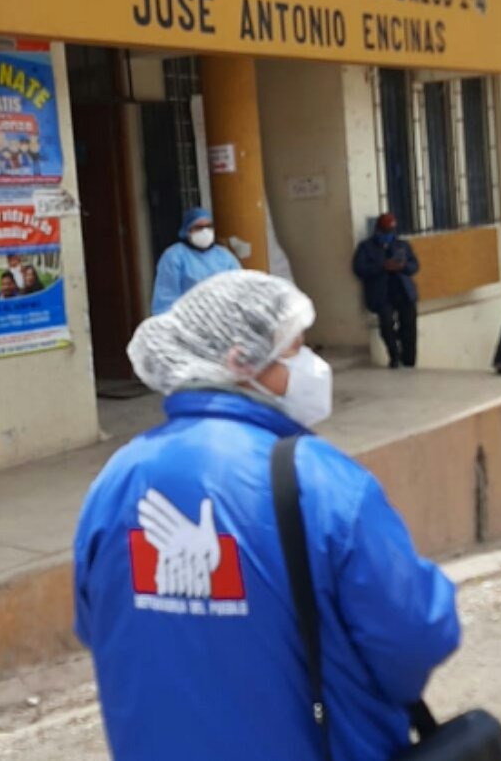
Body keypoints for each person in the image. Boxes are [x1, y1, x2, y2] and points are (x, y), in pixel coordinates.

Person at [74, 271, 459, 761]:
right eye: (296, 348)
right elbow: (415, 636)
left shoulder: (116, 481)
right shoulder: (323, 483)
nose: (313, 365)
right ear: (241, 361)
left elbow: (98, 627)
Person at [352, 213, 420, 368]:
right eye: (385, 231)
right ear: (378, 230)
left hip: (403, 291)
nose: (388, 235)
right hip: (382, 293)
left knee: (409, 327)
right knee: (387, 325)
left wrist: (402, 266)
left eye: (390, 231)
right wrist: (382, 266)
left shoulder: (402, 245)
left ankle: (409, 361)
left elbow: (415, 265)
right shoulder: (366, 247)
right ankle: (394, 355)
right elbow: (359, 269)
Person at [150, 207, 241, 315]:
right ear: (187, 231)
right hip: (187, 320)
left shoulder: (224, 256)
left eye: (209, 226)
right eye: (198, 227)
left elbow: (239, 289)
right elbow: (165, 299)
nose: (205, 231)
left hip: (222, 317)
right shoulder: (174, 257)